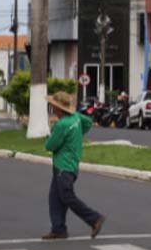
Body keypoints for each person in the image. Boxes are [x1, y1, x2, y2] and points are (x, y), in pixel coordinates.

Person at [41, 91, 105, 240]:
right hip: (71, 164)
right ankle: (58, 229)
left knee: (67, 197)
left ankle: (94, 218)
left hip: (63, 165)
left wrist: (49, 137)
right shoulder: (76, 118)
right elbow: (88, 122)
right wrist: (77, 135)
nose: (51, 107)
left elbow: (50, 145)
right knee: (55, 197)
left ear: (58, 108)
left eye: (53, 106)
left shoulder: (61, 124)